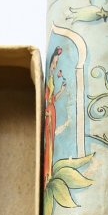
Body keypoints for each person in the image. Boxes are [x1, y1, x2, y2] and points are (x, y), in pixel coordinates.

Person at [43, 46, 66, 185]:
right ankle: (46, 173)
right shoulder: (48, 78)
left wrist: (62, 90)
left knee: (51, 140)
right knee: (47, 141)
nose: (54, 65)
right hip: (48, 113)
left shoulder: (51, 78)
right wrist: (46, 112)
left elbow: (52, 99)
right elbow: (46, 99)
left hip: (52, 111)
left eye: (56, 63)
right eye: (53, 62)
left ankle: (49, 172)